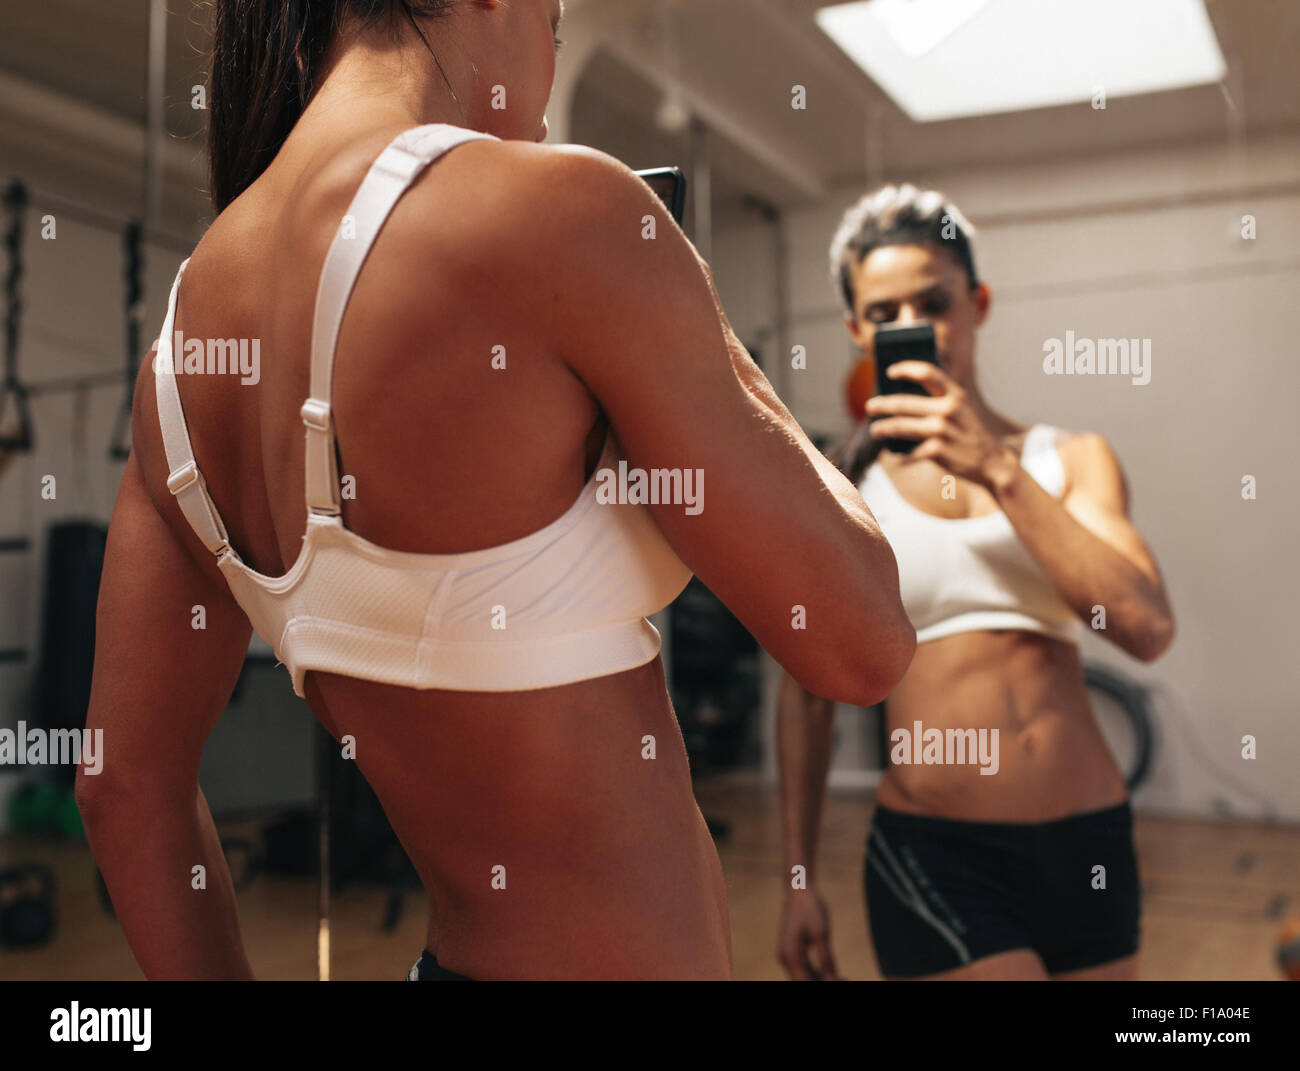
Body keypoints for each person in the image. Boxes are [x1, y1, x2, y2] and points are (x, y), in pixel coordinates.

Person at [75, 0, 914, 981]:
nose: (546, 95)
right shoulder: (564, 213)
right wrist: (696, 316)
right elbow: (864, 643)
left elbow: (121, 788)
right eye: (553, 29)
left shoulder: (175, 364)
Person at [777, 185, 1175, 981]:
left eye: (934, 302)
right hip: (940, 854)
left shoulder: (1070, 459)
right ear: (857, 329)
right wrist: (798, 880)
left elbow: (1144, 624)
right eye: (884, 313)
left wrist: (997, 470)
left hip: (1090, 839)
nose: (912, 328)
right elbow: (807, 693)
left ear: (978, 303)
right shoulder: (839, 488)